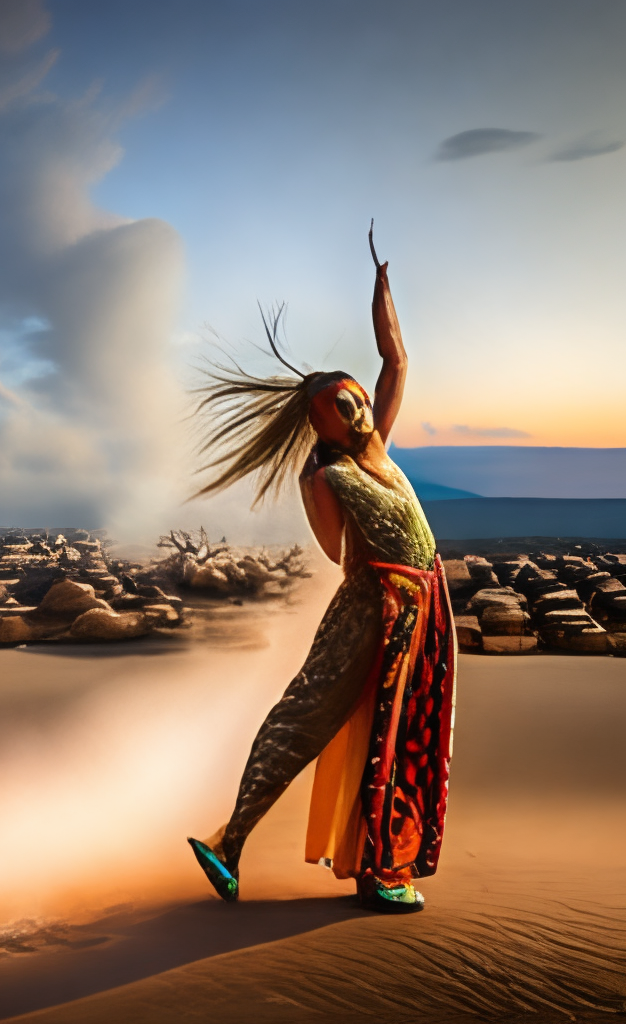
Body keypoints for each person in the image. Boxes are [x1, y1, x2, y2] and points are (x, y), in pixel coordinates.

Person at [187, 226, 456, 913]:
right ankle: (240, 842)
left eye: (356, 399)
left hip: (421, 605)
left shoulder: (373, 445)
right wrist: (324, 483)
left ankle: (359, 858)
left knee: (402, 729)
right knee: (316, 718)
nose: (359, 409)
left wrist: (382, 292)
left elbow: (396, 360)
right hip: (375, 608)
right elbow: (339, 553)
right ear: (321, 426)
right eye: (343, 408)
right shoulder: (329, 472)